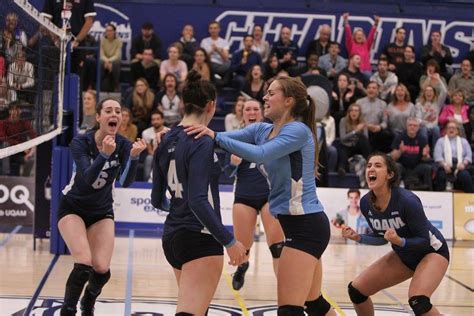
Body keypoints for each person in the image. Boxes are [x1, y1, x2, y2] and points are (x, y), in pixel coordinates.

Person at [185, 76, 335, 316]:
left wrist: (213, 136)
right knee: (315, 304)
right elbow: (216, 139)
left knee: (288, 310)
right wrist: (178, 136)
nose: (265, 97)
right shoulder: (262, 129)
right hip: (297, 225)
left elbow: (260, 154)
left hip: (306, 227)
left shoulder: (297, 130)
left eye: (271, 93)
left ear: (288, 101)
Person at [151, 71, 247, 315]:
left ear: (183, 103)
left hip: (172, 237)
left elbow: (156, 199)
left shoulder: (164, 138)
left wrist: (179, 206)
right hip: (200, 239)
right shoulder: (202, 139)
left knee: (196, 309)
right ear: (211, 105)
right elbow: (197, 200)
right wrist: (229, 241)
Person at [57, 98, 146, 315]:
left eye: (118, 111)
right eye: (108, 110)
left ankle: (87, 302)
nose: (114, 114)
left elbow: (125, 182)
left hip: (101, 211)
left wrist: (134, 158)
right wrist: (105, 154)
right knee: (84, 263)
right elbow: (88, 178)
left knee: (102, 269)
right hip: (73, 207)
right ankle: (67, 311)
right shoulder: (80, 142)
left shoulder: (124, 144)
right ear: (98, 117)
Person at [342, 153, 450, 316]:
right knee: (356, 291)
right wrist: (358, 237)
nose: (371, 168)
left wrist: (399, 241)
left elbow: (423, 241)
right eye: (369, 165)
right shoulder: (365, 203)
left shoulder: (407, 200)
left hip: (432, 251)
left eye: (378, 166)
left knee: (418, 300)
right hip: (405, 255)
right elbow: (381, 238)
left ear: (390, 174)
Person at [224, 99, 284, 291]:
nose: (251, 112)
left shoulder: (273, 133)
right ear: (242, 114)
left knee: (277, 246)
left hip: (270, 195)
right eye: (247, 109)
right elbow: (226, 172)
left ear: (262, 112)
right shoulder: (235, 137)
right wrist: (233, 163)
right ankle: (242, 267)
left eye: (255, 109)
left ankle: (284, 285)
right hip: (244, 196)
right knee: (242, 248)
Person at [41, 0, 96, 74]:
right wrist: (55, 39)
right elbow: (46, 20)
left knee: (76, 75)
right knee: (55, 74)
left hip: (77, 44)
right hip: (56, 43)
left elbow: (89, 21)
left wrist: (77, 40)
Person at [390, 117, 432, 190]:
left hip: (416, 167)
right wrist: (400, 151)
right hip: (403, 166)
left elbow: (427, 158)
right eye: (410, 125)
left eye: (415, 125)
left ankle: (429, 191)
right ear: (406, 126)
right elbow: (393, 157)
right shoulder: (400, 137)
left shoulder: (422, 139)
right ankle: (394, 191)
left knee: (427, 168)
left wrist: (425, 155)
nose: (412, 127)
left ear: (418, 128)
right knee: (396, 166)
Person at [433, 120, 473, 193]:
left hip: (460, 166)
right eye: (449, 128)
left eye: (453, 128)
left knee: (465, 176)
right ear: (445, 130)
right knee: (440, 176)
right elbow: (437, 156)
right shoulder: (440, 141)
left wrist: (463, 164)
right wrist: (444, 165)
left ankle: (470, 199)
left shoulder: (463, 141)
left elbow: (469, 155)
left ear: (457, 131)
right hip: (444, 166)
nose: (451, 130)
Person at [343, 12, 380, 77]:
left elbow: (371, 36)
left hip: (366, 71)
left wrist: (376, 23)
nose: (359, 36)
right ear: (354, 36)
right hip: (354, 71)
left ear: (363, 37)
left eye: (361, 35)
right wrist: (346, 21)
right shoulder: (351, 45)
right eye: (357, 34)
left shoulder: (366, 45)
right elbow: (348, 36)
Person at [142, 110, 165, 181]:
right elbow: (149, 150)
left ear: (162, 120)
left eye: (158, 119)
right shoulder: (146, 132)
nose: (155, 121)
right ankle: (147, 180)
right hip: (153, 154)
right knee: (149, 158)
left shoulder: (168, 131)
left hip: (165, 155)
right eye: (153, 120)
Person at [100, 23, 122, 92]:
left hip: (113, 60)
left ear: (114, 32)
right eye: (107, 31)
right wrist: (106, 61)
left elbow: (117, 55)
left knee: (116, 63)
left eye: (110, 30)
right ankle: (99, 85)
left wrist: (109, 61)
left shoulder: (118, 41)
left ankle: (116, 85)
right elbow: (101, 54)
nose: (108, 32)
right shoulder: (102, 40)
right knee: (100, 62)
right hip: (104, 60)